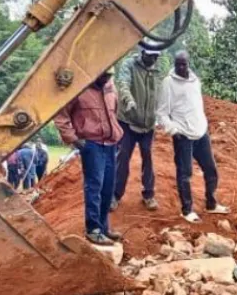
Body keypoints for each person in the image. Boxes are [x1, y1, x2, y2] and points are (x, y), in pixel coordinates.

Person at [156, 51, 228, 223]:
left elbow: (197, 105)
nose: (181, 67)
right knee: (185, 173)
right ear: (175, 64)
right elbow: (161, 112)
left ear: (189, 63)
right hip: (183, 136)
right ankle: (187, 210)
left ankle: (211, 204)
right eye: (178, 64)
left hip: (201, 132)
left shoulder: (195, 81)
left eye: (184, 64)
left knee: (210, 169)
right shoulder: (169, 83)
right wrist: (174, 131)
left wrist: (203, 123)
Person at [53, 69, 123, 245]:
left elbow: (115, 111)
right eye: (103, 76)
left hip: (110, 143)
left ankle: (104, 226)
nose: (106, 79)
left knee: (108, 187)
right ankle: (93, 229)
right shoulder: (79, 90)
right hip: (92, 144)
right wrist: (74, 139)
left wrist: (116, 132)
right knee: (94, 186)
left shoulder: (110, 88)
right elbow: (61, 116)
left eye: (109, 76)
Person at [114, 47, 163, 212]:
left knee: (148, 158)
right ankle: (115, 195)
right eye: (151, 56)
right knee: (122, 158)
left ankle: (148, 195)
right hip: (128, 121)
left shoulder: (156, 70)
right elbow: (123, 84)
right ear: (143, 53)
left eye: (156, 56)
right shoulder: (129, 65)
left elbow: (158, 94)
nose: (153, 59)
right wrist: (128, 100)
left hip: (148, 125)